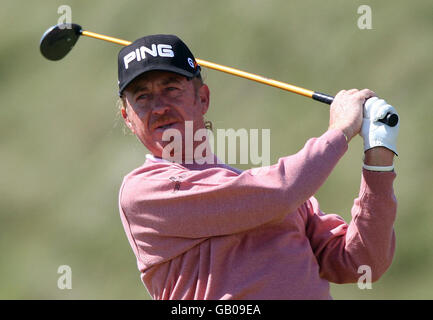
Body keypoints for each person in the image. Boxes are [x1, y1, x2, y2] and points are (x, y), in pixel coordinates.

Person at [117, 34, 399, 299]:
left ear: (202, 98)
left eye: (171, 89)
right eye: (142, 97)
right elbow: (281, 190)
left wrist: (379, 156)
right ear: (127, 118)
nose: (159, 107)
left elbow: (362, 262)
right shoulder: (143, 191)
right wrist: (340, 131)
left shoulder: (271, 195)